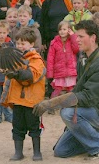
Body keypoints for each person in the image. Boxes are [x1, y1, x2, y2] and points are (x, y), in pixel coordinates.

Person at [33, 20, 99, 160]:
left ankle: (96, 146)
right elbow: (78, 89)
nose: (77, 39)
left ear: (93, 38)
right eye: (77, 36)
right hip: (89, 112)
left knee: (68, 113)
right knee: (61, 151)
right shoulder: (84, 58)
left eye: (81, 36)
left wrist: (51, 103)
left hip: (95, 110)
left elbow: (88, 97)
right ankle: (90, 139)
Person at [1, 26, 45, 161]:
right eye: (18, 43)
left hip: (32, 101)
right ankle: (18, 152)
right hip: (17, 99)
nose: (20, 46)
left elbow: (31, 76)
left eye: (23, 43)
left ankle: (37, 152)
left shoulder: (36, 60)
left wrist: (16, 73)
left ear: (31, 44)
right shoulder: (13, 58)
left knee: (34, 127)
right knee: (17, 127)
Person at [40, 0, 73, 98]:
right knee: (52, 65)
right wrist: (43, 41)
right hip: (52, 39)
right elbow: (42, 22)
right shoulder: (47, 2)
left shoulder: (68, 0)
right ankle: (52, 93)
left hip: (68, 39)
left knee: (68, 66)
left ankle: (69, 94)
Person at [46, 21, 79, 114]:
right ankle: (51, 107)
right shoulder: (54, 42)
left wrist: (73, 36)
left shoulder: (72, 41)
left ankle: (72, 106)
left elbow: (76, 49)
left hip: (70, 70)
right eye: (60, 29)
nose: (62, 31)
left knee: (71, 89)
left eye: (64, 29)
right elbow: (50, 58)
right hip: (59, 70)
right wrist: (50, 73)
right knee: (57, 89)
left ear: (69, 30)